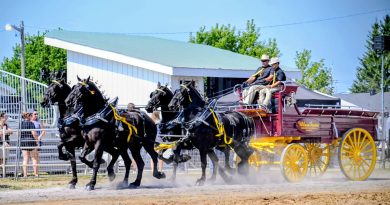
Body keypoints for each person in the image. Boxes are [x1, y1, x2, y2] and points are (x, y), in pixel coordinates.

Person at [20, 112, 39, 177]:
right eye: (30, 115)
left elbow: (18, 134)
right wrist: (37, 140)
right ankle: (36, 174)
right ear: (28, 117)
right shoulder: (31, 123)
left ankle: (25, 175)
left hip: (23, 142)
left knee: (25, 159)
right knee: (34, 158)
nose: (31, 116)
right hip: (31, 141)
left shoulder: (21, 124)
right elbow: (33, 133)